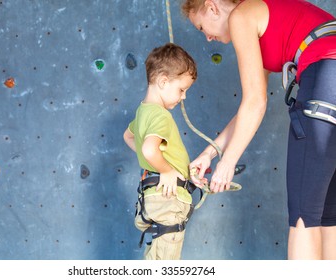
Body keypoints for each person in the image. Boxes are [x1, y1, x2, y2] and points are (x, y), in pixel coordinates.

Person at [181, 0, 336, 259]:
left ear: (212, 7)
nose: (207, 37)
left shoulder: (241, 16)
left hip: (326, 79)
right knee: (328, 218)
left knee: (303, 217)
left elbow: (255, 103)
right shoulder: (264, 17)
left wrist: (227, 163)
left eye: (201, 27)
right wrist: (210, 154)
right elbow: (250, 108)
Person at [123, 43, 198, 259]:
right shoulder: (160, 115)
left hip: (154, 198)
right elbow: (148, 149)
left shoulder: (142, 112)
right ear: (163, 81)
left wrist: (160, 164)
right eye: (181, 90)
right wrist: (165, 171)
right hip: (168, 199)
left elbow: (128, 136)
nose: (183, 97)